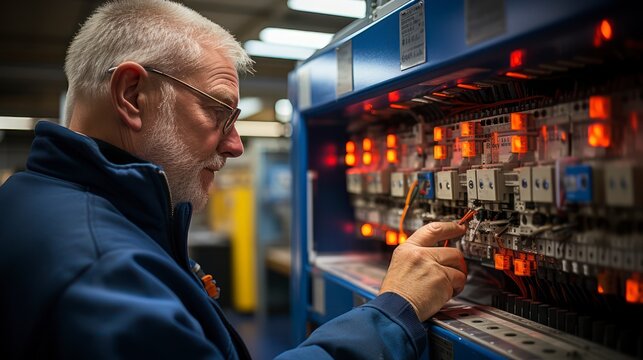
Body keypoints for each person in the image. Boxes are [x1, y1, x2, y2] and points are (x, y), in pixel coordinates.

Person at [0, 1, 467, 359]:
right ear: (132, 95)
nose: (235, 145)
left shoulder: (28, 201)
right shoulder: (107, 270)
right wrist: (394, 311)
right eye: (220, 110)